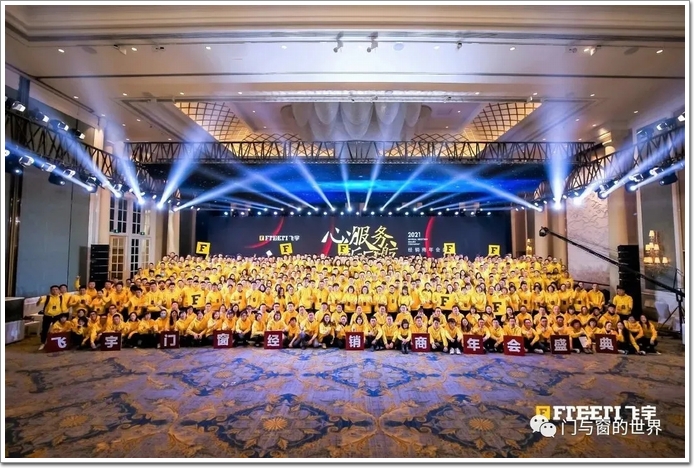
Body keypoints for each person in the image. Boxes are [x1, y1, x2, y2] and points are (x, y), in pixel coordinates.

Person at [38, 285, 68, 351]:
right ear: (51, 291)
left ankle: (54, 343)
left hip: (57, 315)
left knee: (57, 329)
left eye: (56, 289)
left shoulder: (61, 297)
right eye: (53, 289)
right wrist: (39, 300)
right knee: (45, 330)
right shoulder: (47, 297)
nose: (55, 291)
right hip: (47, 316)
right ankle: (43, 343)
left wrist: (64, 316)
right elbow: (38, 303)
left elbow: (63, 307)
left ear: (59, 290)